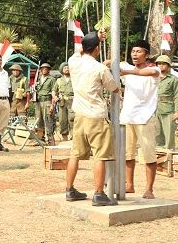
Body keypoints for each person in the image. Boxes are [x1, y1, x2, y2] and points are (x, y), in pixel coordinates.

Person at [65, 31, 120, 206]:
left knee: (75, 154)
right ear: (97, 49)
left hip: (79, 115)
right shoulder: (100, 68)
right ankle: (99, 193)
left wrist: (95, 39)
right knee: (101, 156)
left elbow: (79, 53)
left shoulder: (73, 63)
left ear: (83, 47)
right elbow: (114, 88)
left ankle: (69, 189)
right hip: (96, 116)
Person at [119, 39, 161, 199]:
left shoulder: (154, 69)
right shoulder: (127, 67)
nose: (135, 54)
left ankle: (149, 189)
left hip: (145, 118)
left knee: (149, 155)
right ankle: (129, 185)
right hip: (128, 117)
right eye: (133, 51)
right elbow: (108, 62)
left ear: (147, 55)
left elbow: (149, 73)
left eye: (139, 52)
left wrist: (127, 71)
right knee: (128, 155)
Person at [154, 55, 178, 150]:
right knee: (156, 135)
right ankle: (158, 160)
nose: (161, 65)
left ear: (169, 66)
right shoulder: (153, 78)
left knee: (169, 135)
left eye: (163, 64)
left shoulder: (173, 79)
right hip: (154, 109)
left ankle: (168, 160)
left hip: (168, 110)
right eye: (159, 63)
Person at [51, 63, 74, 141]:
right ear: (62, 70)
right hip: (62, 102)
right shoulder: (59, 80)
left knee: (72, 119)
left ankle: (73, 136)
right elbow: (54, 90)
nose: (67, 69)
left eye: (68, 68)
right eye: (65, 68)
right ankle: (64, 137)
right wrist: (55, 97)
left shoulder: (74, 79)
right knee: (62, 120)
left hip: (72, 101)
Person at [34, 63, 56, 145]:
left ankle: (50, 140)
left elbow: (54, 91)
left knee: (48, 120)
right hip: (39, 101)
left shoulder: (52, 79)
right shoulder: (39, 79)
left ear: (49, 70)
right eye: (43, 68)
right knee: (39, 120)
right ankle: (40, 139)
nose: (44, 70)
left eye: (46, 69)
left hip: (47, 101)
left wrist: (52, 105)